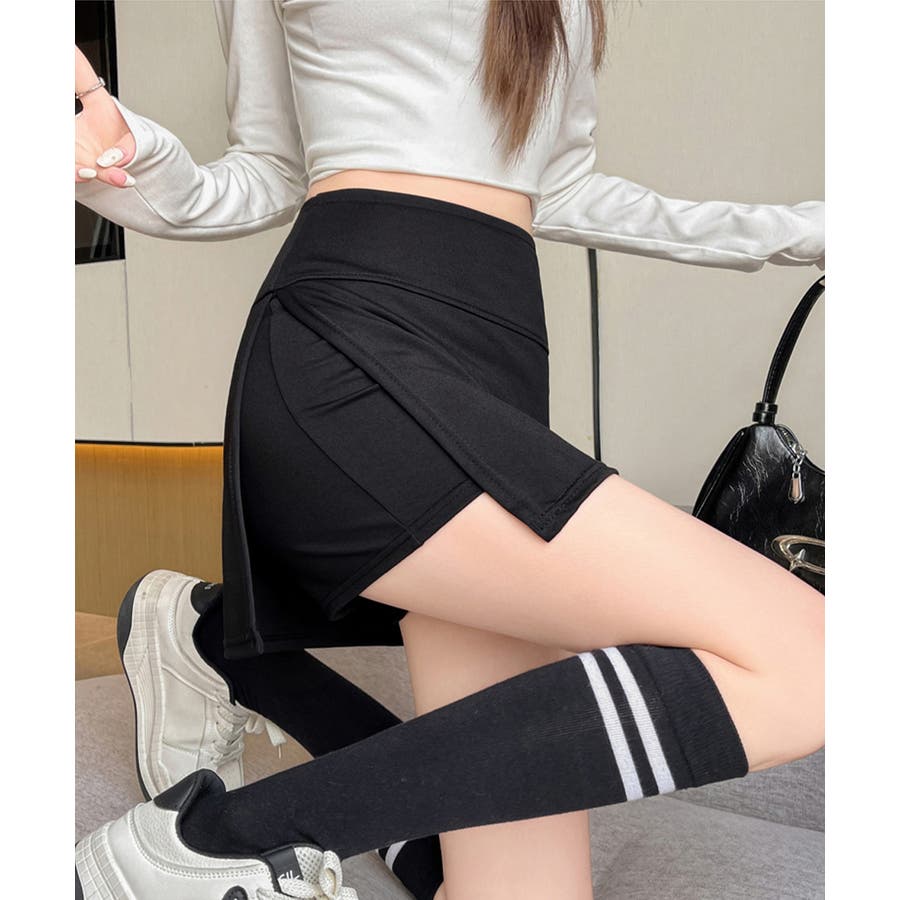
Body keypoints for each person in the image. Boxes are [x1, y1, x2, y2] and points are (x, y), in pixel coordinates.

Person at [74, 1, 825, 898]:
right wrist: (129, 160)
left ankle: (216, 642)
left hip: (501, 359)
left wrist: (806, 230)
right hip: (350, 344)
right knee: (812, 659)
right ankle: (208, 843)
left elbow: (564, 186)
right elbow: (268, 171)